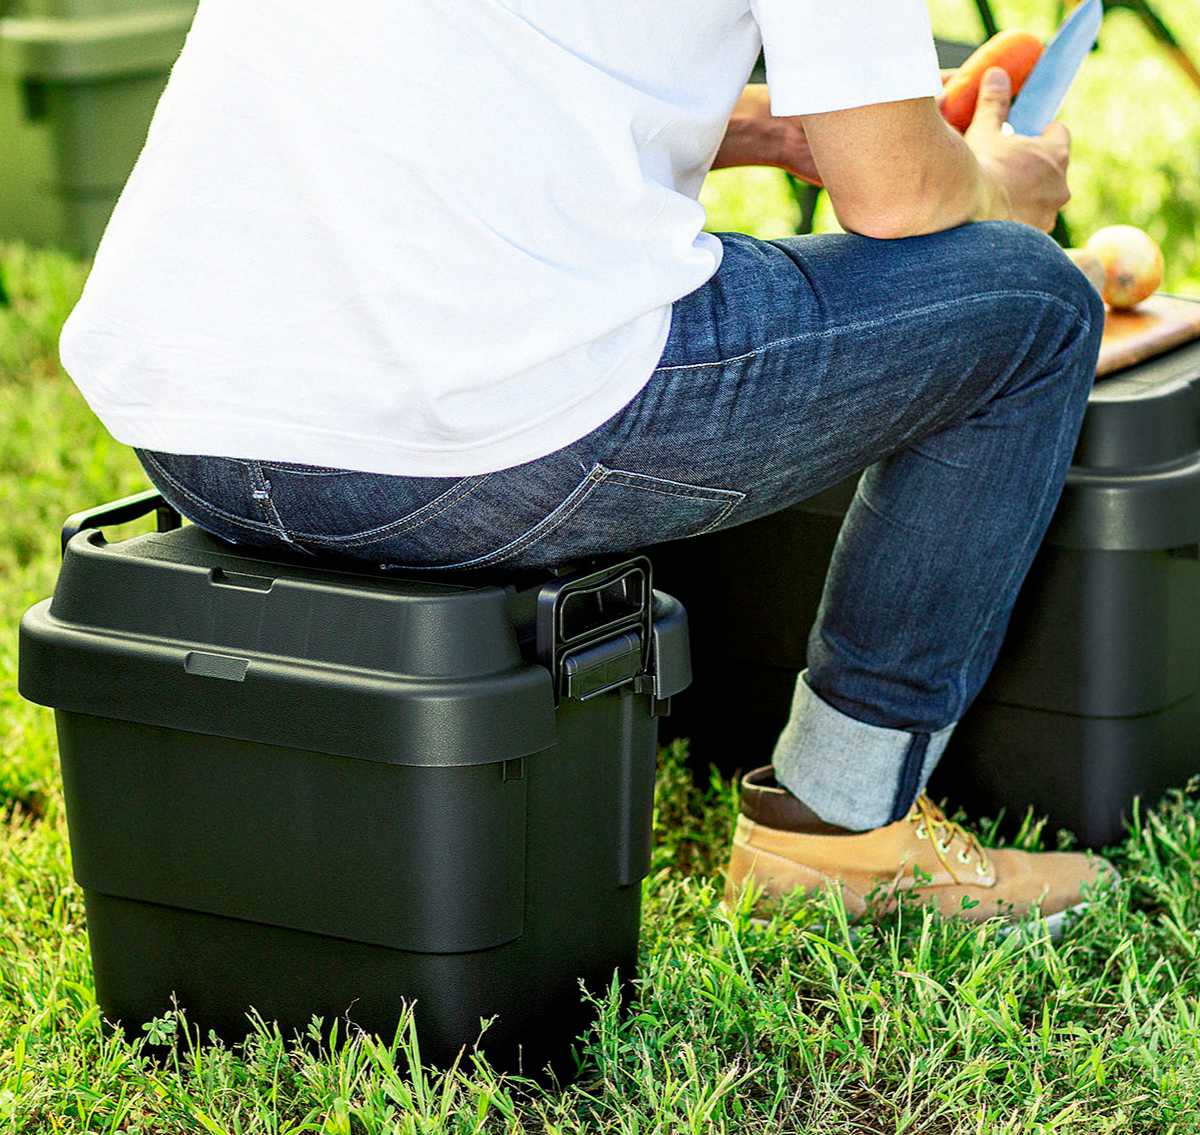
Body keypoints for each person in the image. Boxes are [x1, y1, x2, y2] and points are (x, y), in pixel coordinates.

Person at [58, 0, 1113, 932]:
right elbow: (900, 198)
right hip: (475, 460)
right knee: (1031, 303)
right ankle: (842, 829)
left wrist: (779, 125)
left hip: (192, 424)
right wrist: (996, 184)